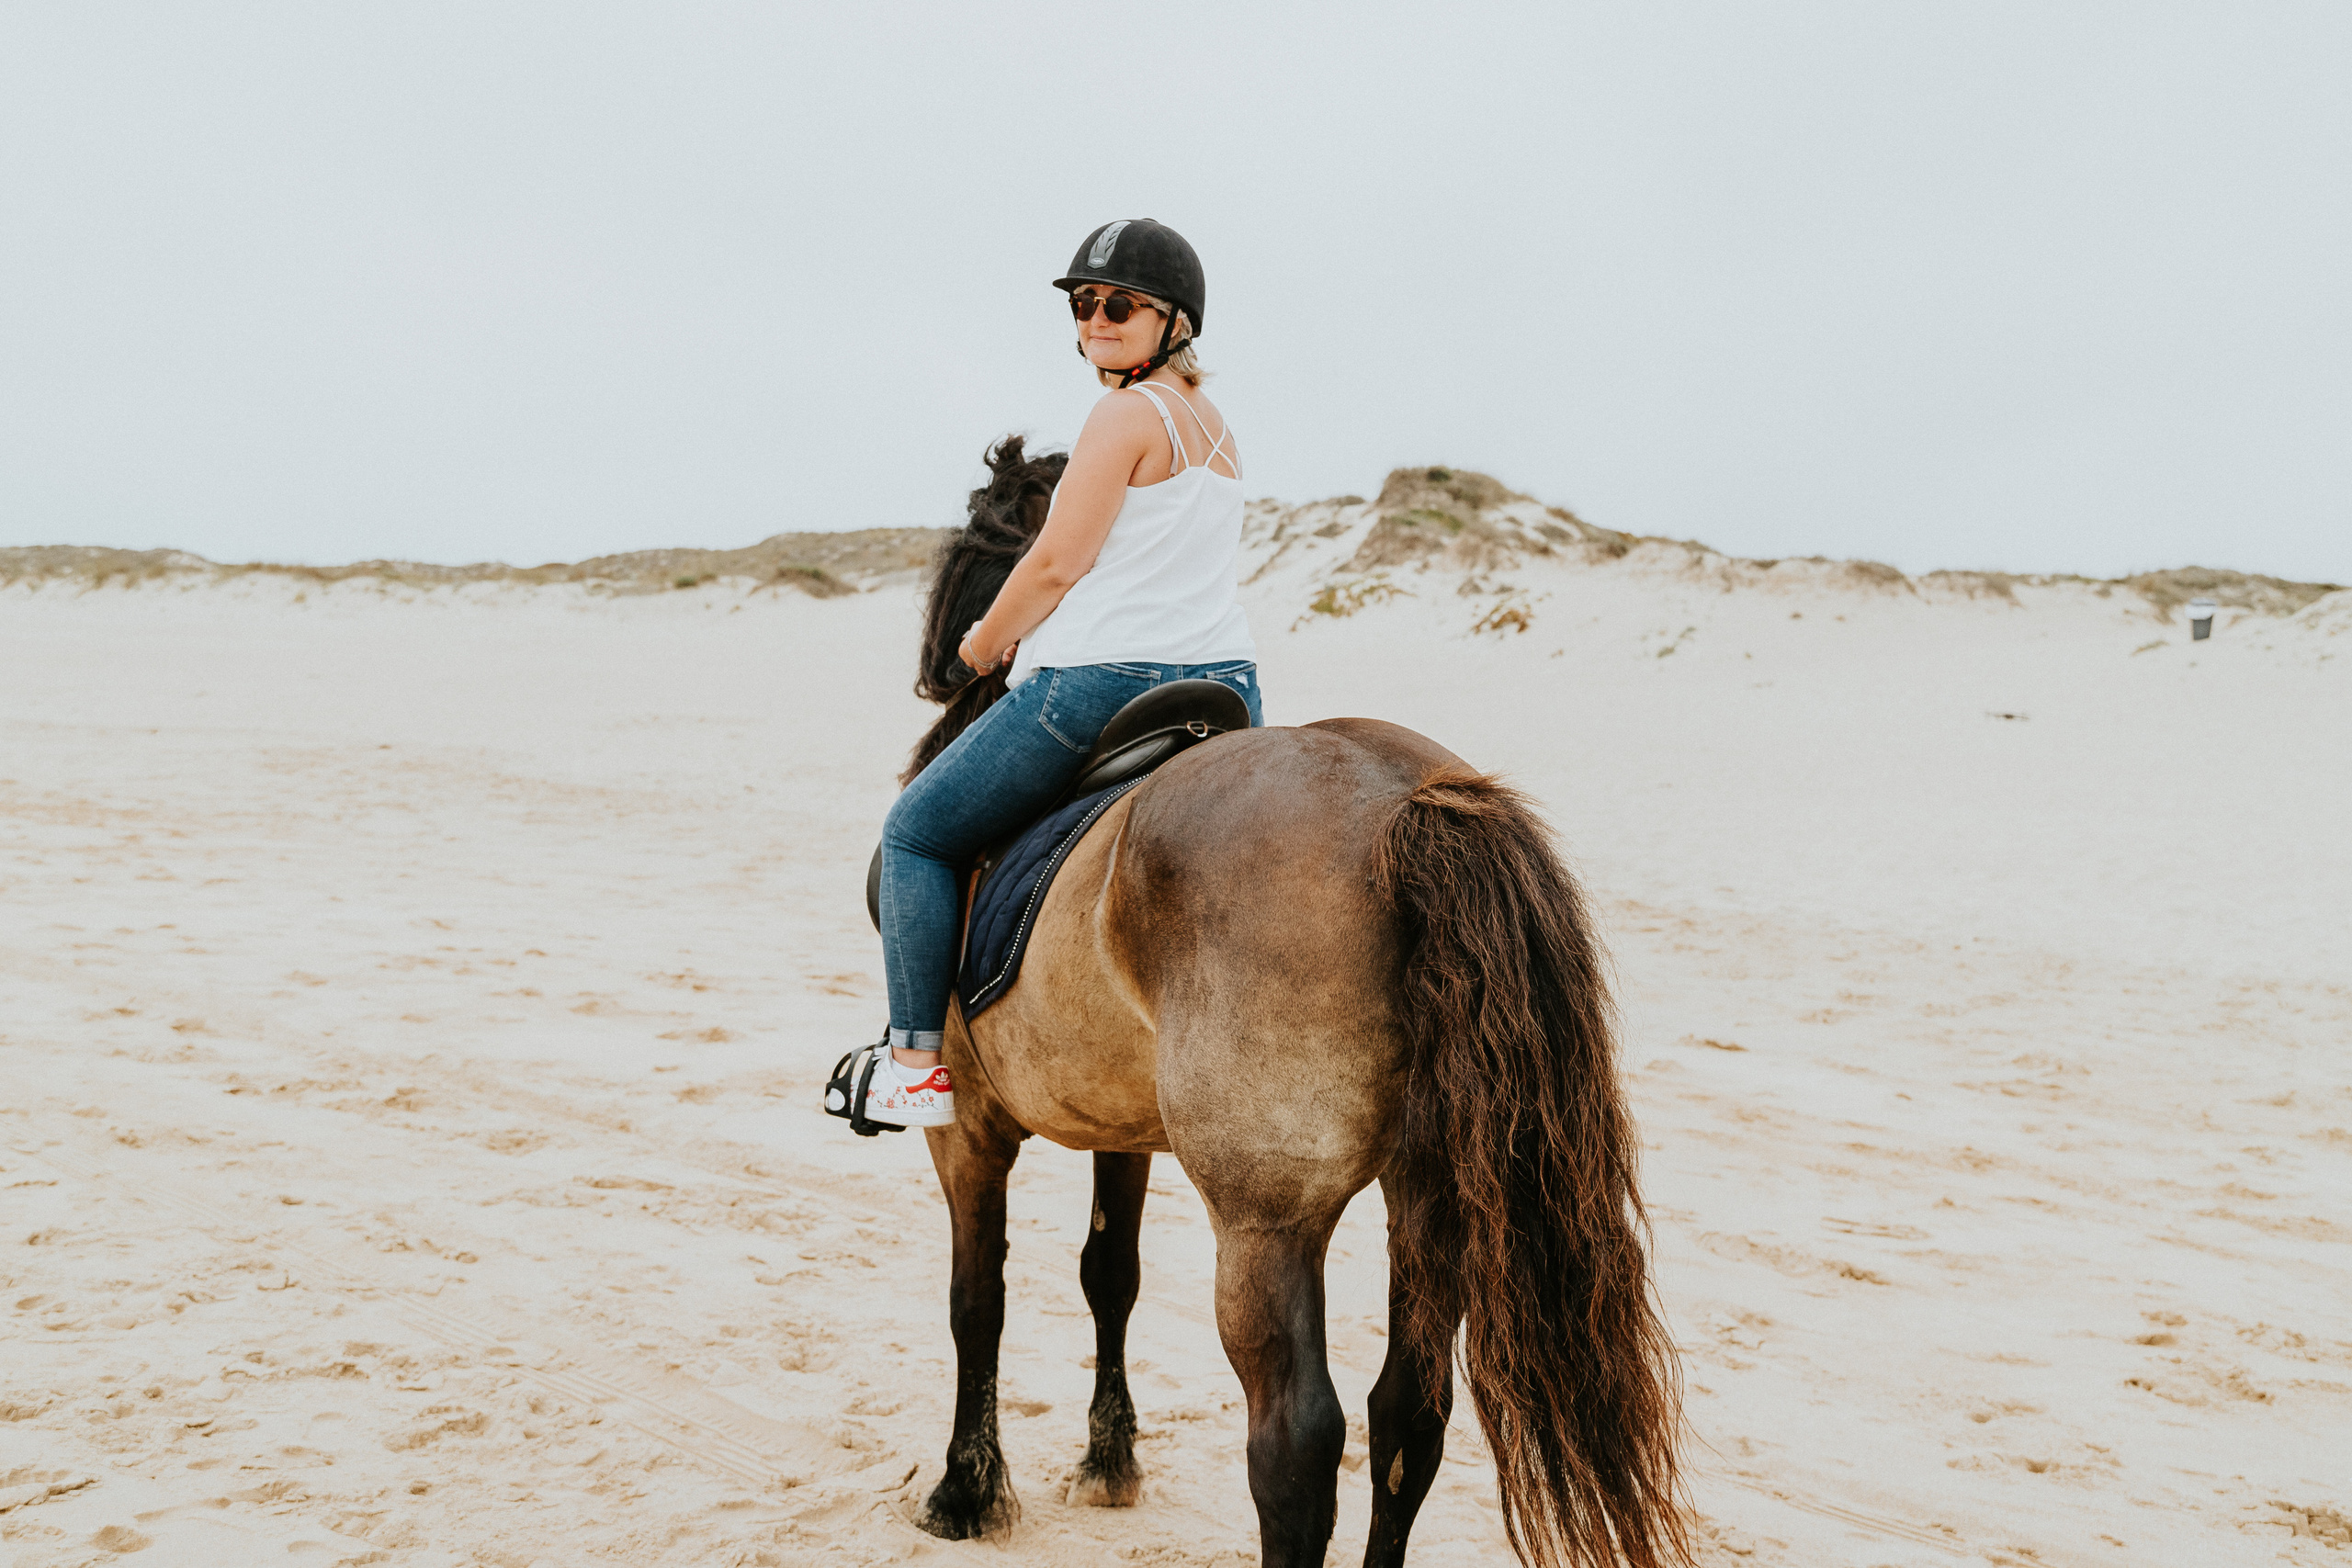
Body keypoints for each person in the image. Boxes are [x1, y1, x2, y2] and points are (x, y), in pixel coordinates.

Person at [842, 219, 1261, 1130]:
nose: (1097, 319)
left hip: (1102, 684)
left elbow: (1055, 564)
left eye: (1121, 304)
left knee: (915, 833)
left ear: (1174, 321)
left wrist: (981, 644)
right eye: (1084, 304)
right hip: (1228, 686)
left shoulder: (1124, 415)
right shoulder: (1220, 430)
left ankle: (912, 1063)